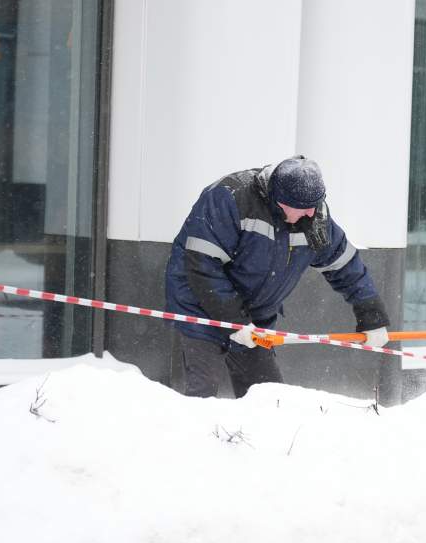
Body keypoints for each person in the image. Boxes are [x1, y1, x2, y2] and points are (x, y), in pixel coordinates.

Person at [165, 155, 390, 398]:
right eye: (303, 209)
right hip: (201, 308)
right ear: (279, 201)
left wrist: (371, 313)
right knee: (203, 392)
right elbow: (202, 266)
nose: (311, 214)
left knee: (268, 396)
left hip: (255, 315)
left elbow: (344, 265)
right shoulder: (230, 198)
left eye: (315, 205)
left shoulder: (313, 217)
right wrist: (234, 321)